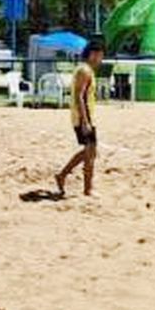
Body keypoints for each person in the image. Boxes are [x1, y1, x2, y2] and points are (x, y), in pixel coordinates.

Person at [56, 40, 105, 197]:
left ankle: (63, 176)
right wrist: (85, 121)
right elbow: (78, 96)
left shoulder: (86, 70)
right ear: (92, 54)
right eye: (99, 56)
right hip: (83, 117)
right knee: (90, 153)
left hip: (86, 116)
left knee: (90, 152)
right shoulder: (84, 71)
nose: (100, 60)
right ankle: (86, 188)